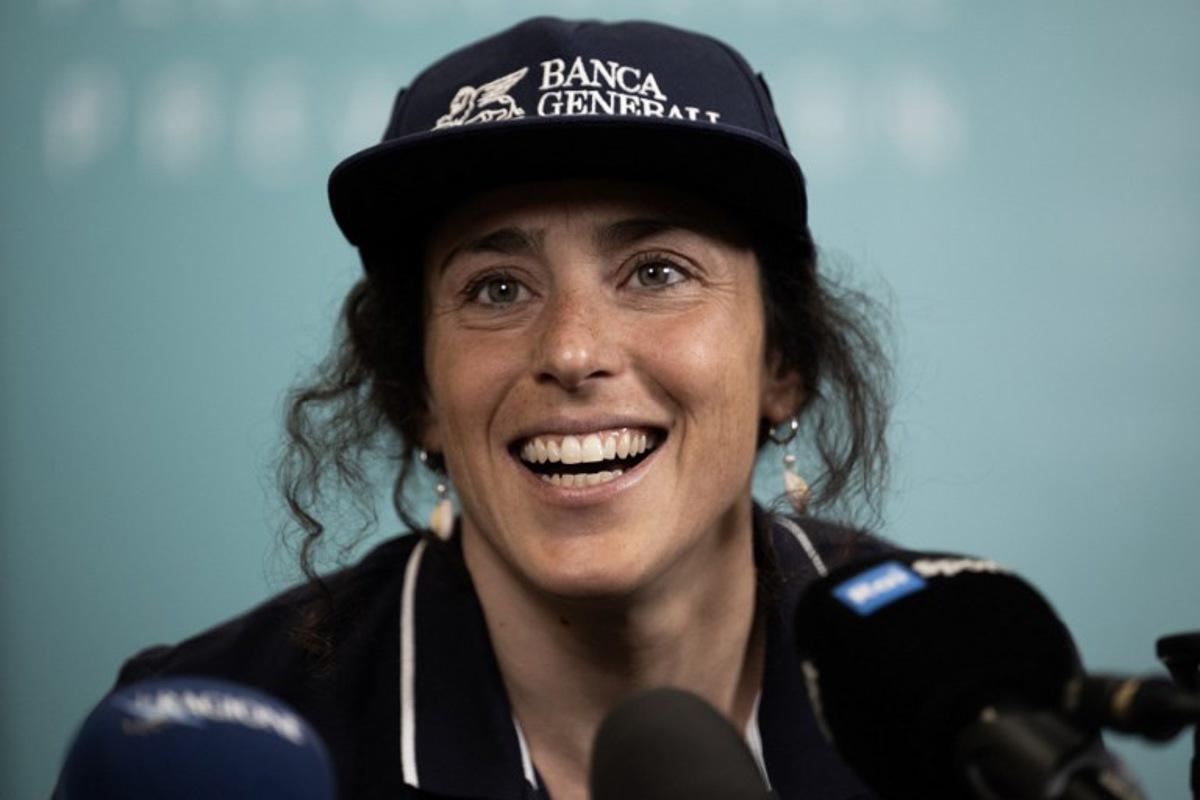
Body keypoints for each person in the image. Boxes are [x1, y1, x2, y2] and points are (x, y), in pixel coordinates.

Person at [59, 17, 891, 800]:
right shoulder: (203, 743)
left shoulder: (953, 693)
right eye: (497, 289)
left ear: (782, 360)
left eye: (656, 273)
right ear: (417, 389)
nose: (572, 351)